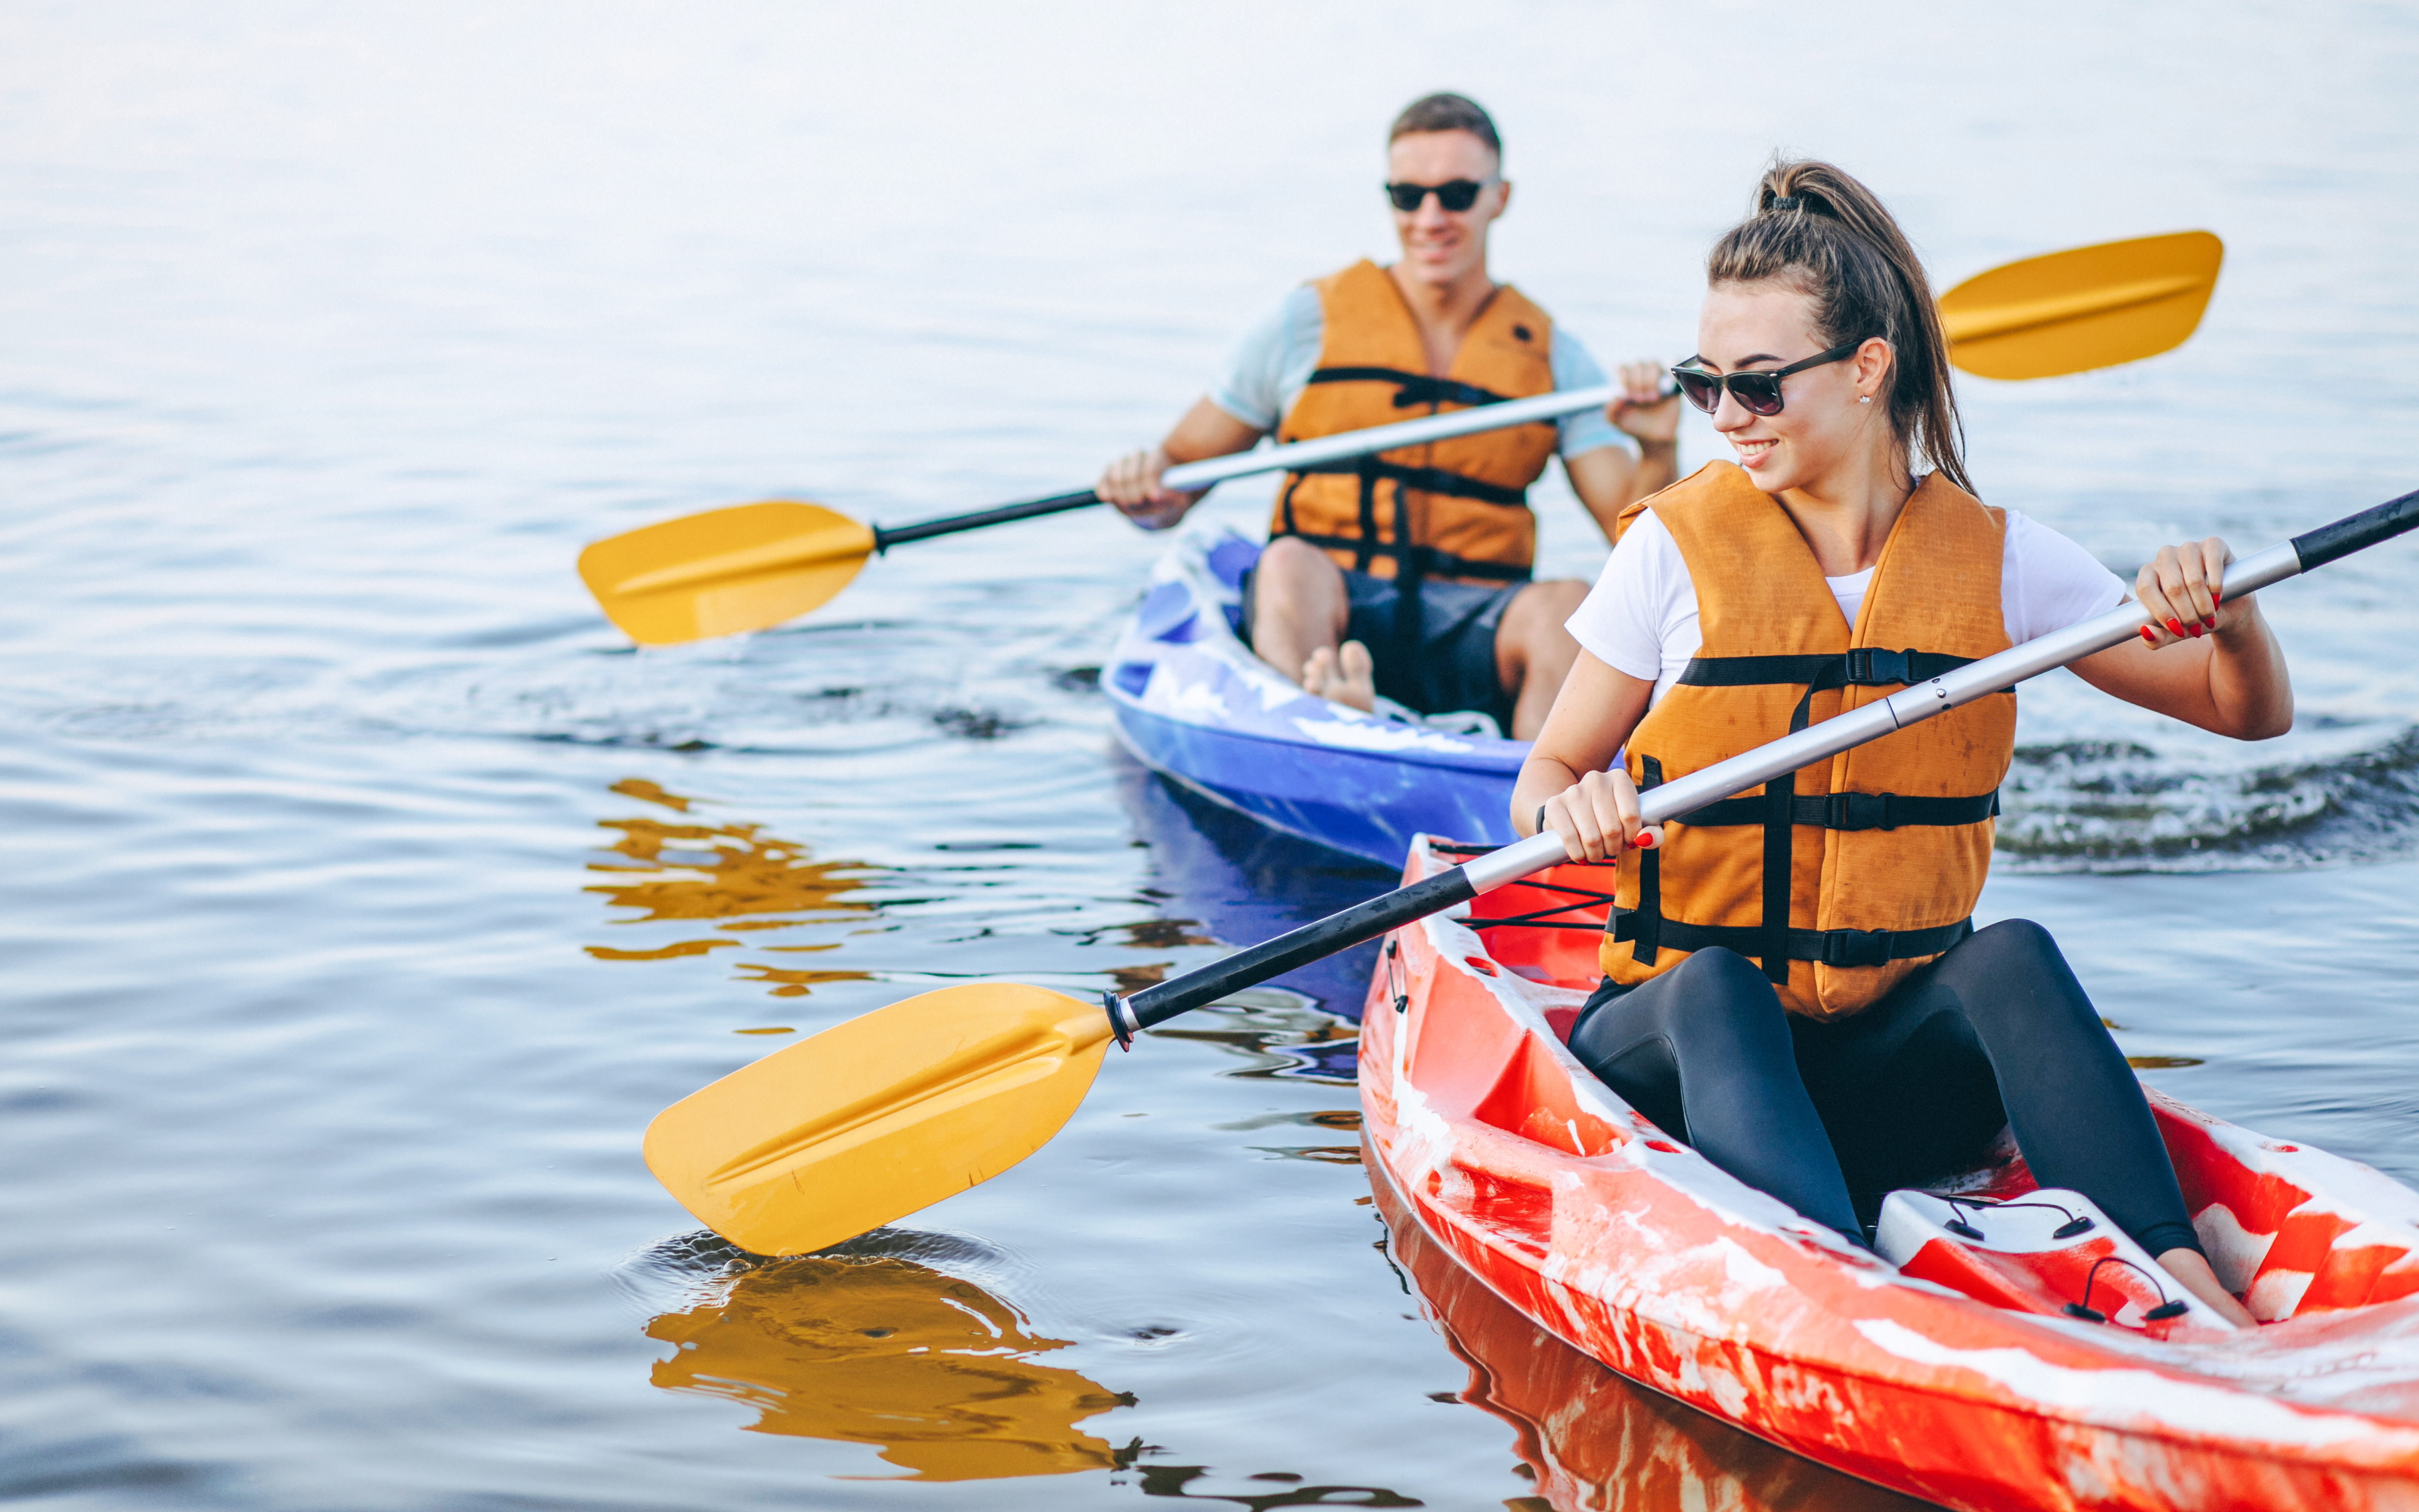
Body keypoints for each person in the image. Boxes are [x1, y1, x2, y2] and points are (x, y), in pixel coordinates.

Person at [1514, 158, 2289, 1326]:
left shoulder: (1999, 558)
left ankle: (2183, 1279)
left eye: (1758, 385)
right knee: (1717, 985)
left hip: (1889, 1076)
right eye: (1703, 383)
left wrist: (2231, 614)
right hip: (1682, 1055)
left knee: (2009, 952)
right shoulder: (1670, 553)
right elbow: (1544, 777)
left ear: (1868, 368)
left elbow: (2244, 711)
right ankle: (1836, 1298)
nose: (1725, 417)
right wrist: (1565, 810)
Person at [1097, 93, 1679, 740]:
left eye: (1457, 194)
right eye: (1409, 196)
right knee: (1287, 563)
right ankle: (1321, 725)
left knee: (1568, 604)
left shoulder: (1554, 360)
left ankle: (1537, 802)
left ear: (1499, 198)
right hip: (1338, 608)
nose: (1431, 218)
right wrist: (1145, 486)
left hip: (1474, 624)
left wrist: (1655, 450)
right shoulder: (1302, 325)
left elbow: (1640, 554)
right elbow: (1176, 483)